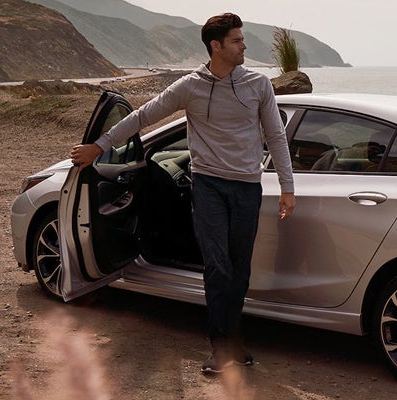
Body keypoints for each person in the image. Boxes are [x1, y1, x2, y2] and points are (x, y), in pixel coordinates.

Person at [70, 12, 296, 374]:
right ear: (216, 46)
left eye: (242, 39)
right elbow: (144, 116)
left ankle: (233, 338)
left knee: (239, 269)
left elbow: (276, 136)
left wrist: (287, 186)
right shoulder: (190, 86)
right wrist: (100, 146)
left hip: (247, 187)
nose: (244, 46)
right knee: (217, 266)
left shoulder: (258, 84)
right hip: (207, 185)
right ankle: (220, 345)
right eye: (237, 41)